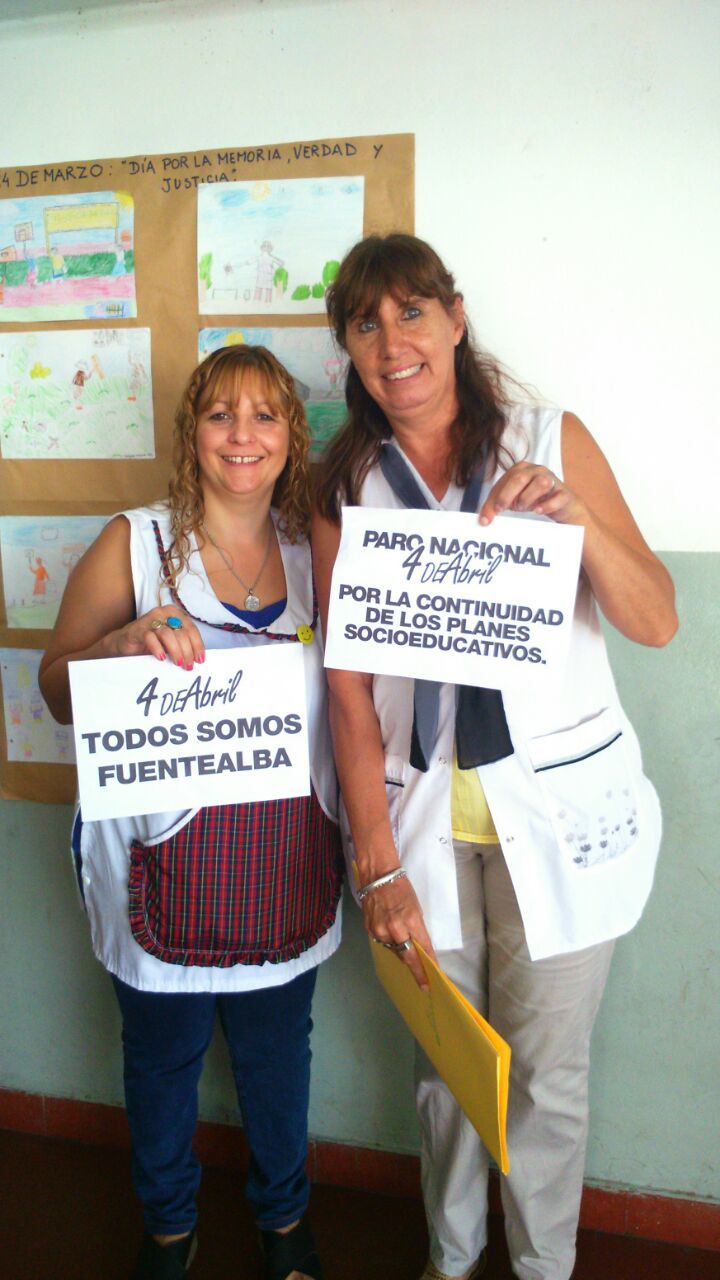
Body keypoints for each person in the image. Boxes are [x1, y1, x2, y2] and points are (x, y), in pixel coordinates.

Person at [312, 234, 678, 1280]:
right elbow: (348, 687)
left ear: (456, 317)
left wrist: (579, 521)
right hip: (419, 818)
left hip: (556, 816)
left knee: (546, 1075)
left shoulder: (550, 439)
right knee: (447, 1070)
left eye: (412, 313)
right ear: (349, 347)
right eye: (367, 323)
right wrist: (374, 857)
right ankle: (452, 1255)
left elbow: (655, 620)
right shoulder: (345, 487)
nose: (393, 344)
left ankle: (542, 1266)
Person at [40, 345, 343, 1280]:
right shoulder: (133, 543)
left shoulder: (318, 551)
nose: (242, 435)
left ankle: (284, 1222)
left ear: (292, 435)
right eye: (220, 414)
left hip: (284, 862)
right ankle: (169, 1226)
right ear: (191, 433)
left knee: (276, 1058)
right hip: (156, 871)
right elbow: (55, 688)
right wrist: (122, 642)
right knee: (162, 1058)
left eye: (264, 415)